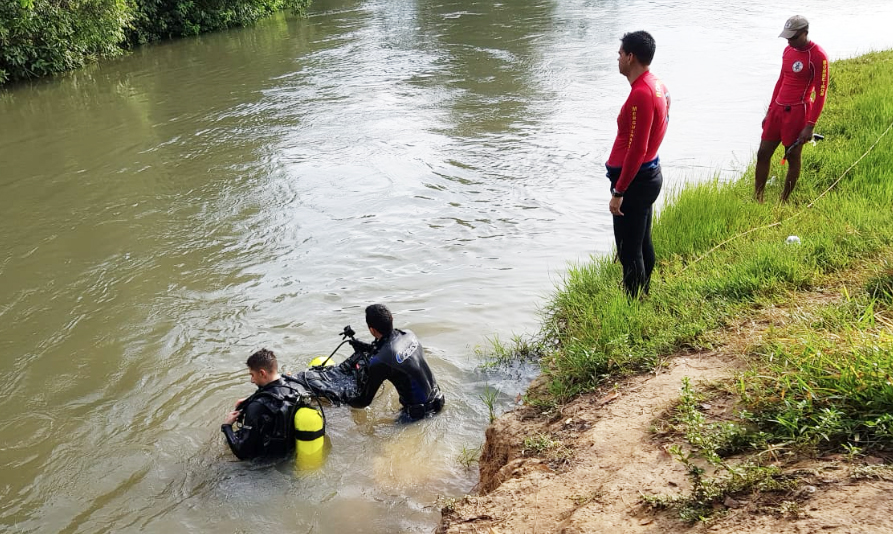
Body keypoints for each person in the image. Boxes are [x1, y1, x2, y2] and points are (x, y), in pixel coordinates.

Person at [605, 30, 670, 298]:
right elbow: (663, 124)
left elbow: (637, 148)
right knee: (642, 241)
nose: (617, 58)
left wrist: (619, 191)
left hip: (634, 181)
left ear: (631, 57)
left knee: (629, 249)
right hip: (648, 174)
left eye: (620, 54)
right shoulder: (657, 85)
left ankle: (633, 306)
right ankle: (644, 294)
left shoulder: (641, 94)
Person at [754, 15, 829, 203]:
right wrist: (770, 110)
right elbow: (781, 80)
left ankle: (783, 201)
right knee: (763, 153)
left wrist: (810, 126)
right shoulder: (788, 50)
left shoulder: (818, 56)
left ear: (805, 33)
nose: (789, 40)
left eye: (793, 37)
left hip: (797, 112)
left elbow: (821, 93)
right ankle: (757, 198)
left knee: (792, 156)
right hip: (777, 110)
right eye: (787, 37)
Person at [344, 304, 444, 421]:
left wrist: (346, 399)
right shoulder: (409, 334)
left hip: (418, 417)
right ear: (391, 318)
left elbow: (364, 402)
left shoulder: (380, 362)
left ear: (372, 330)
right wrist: (365, 347)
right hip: (439, 401)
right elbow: (391, 351)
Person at [221, 348, 298, 460]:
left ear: (262, 373)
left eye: (252, 375)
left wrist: (227, 426)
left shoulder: (256, 407)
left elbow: (242, 453)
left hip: (265, 465)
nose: (252, 380)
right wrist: (249, 400)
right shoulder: (292, 386)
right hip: (289, 450)